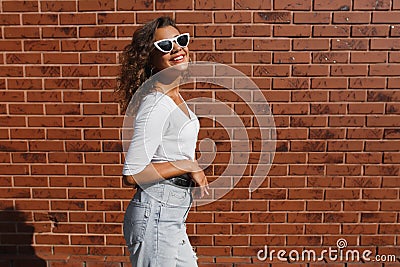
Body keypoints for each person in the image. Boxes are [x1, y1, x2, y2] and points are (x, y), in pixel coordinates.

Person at [115, 16, 209, 267]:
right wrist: (187, 165)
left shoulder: (174, 97)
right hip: (155, 215)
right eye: (165, 46)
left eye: (180, 40)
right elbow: (132, 174)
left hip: (171, 215)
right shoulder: (156, 103)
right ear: (151, 59)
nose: (177, 48)